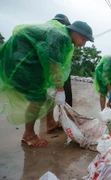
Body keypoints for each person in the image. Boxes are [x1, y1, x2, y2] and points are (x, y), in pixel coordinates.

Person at [0, 20, 94, 148]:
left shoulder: (63, 37)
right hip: (22, 63)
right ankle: (29, 135)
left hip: (28, 62)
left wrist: (58, 87)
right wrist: (60, 89)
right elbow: (53, 64)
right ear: (74, 32)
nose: (83, 44)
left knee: (43, 96)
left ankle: (49, 123)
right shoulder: (60, 37)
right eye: (83, 39)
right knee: (37, 98)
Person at [50, 14, 73, 107]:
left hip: (64, 71)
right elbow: (53, 61)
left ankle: (65, 117)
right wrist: (60, 88)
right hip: (53, 71)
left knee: (66, 96)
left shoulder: (65, 41)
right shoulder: (52, 36)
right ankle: (50, 120)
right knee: (45, 99)